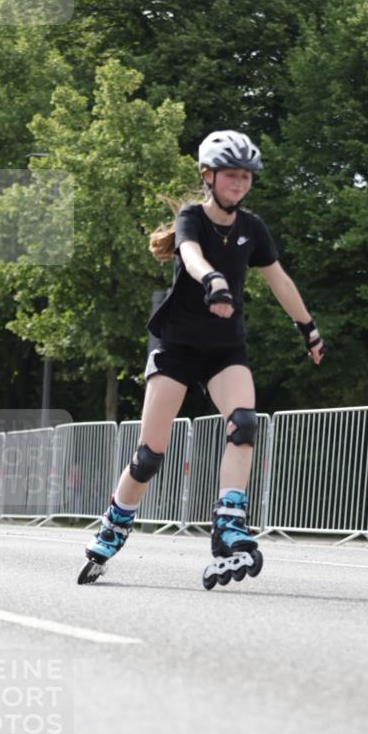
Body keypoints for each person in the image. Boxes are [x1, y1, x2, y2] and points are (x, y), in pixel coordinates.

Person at [80, 130, 326, 585]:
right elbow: (190, 253)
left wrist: (307, 326)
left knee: (245, 423)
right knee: (151, 455)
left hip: (223, 349)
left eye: (246, 177)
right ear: (208, 176)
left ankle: (229, 523)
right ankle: (115, 526)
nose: (240, 184)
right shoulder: (193, 217)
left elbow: (279, 280)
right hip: (176, 347)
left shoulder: (253, 229)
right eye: (231, 175)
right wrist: (212, 278)